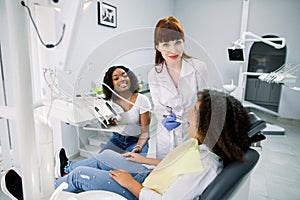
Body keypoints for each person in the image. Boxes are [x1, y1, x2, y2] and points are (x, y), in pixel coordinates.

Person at [54, 89, 251, 200]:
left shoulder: (204, 166)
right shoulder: (204, 148)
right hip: (150, 178)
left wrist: (130, 183)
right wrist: (143, 159)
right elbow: (176, 167)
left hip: (143, 193)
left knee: (80, 177)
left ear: (208, 126)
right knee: (105, 157)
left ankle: (40, 194)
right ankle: (65, 169)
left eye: (195, 111)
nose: (189, 112)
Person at [55, 65, 151, 178]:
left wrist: (138, 147)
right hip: (118, 139)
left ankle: (68, 168)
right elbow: (108, 123)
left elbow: (145, 132)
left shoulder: (142, 100)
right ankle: (68, 169)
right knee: (100, 161)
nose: (122, 79)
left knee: (126, 166)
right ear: (111, 84)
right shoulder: (111, 101)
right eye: (116, 78)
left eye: (124, 75)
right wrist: (111, 122)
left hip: (138, 141)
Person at [148, 16, 208, 159]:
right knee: (165, 172)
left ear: (183, 42)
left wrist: (196, 124)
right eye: (166, 45)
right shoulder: (153, 74)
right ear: (157, 46)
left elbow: (205, 102)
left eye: (177, 43)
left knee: (188, 175)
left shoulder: (199, 67)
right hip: (166, 137)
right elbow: (158, 106)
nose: (173, 50)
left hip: (192, 133)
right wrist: (164, 118)